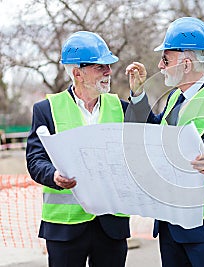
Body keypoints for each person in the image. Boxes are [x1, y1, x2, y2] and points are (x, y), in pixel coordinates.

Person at [124, 17, 204, 267]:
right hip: (170, 222)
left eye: (165, 59)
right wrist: (139, 95)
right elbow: (153, 134)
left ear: (185, 63)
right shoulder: (174, 98)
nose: (160, 66)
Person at [26, 31, 130, 267]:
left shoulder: (122, 108)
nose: (108, 72)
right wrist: (53, 176)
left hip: (111, 224)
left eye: (108, 66)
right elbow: (35, 160)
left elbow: (150, 134)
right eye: (100, 67)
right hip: (65, 227)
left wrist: (140, 94)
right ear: (77, 73)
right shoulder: (46, 109)